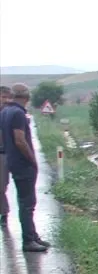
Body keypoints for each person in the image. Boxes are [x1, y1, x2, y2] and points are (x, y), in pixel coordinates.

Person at [0, 83, 49, 251]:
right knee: (27, 203)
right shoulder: (18, 113)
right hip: (22, 164)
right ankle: (28, 241)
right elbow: (20, 140)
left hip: (12, 161)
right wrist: (32, 159)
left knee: (26, 202)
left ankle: (33, 236)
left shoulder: (5, 111)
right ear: (27, 98)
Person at [0, 85, 10, 227]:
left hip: (4, 153)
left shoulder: (10, 113)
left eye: (7, 97)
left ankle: (4, 212)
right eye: (3, 97)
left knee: (2, 186)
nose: (5, 100)